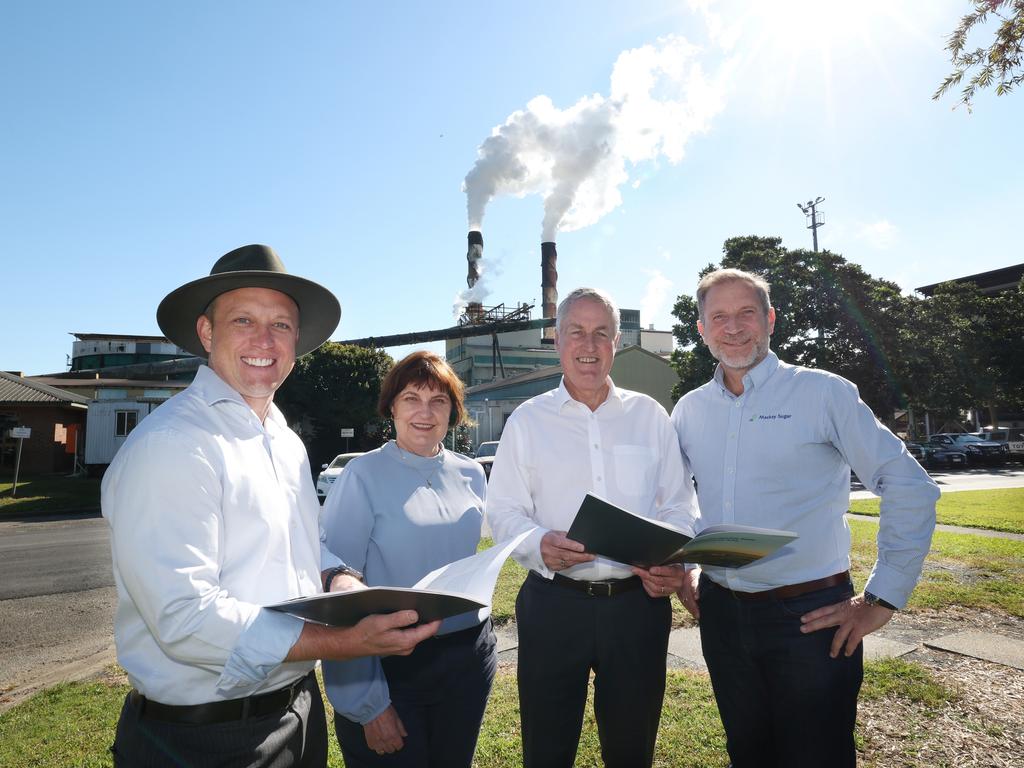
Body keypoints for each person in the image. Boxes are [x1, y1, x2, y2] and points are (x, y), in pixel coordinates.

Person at [102, 244, 438, 768]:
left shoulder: (283, 439)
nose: (264, 341)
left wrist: (337, 578)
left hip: (298, 712)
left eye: (281, 325)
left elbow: (295, 544)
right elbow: (182, 615)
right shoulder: (173, 444)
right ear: (207, 333)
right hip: (205, 741)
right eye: (244, 320)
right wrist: (342, 640)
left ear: (296, 341)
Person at [672, 268, 939, 768]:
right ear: (702, 329)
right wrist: (688, 563)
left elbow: (909, 484)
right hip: (722, 615)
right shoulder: (689, 409)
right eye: (719, 317)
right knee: (748, 751)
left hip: (810, 616)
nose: (733, 328)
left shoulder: (822, 393)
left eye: (746, 313)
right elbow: (676, 497)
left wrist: (883, 597)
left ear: (770, 319)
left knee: (817, 755)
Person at [487, 287, 698, 768]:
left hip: (636, 608)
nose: (589, 344)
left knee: (631, 746)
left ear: (617, 341)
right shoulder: (527, 420)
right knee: (547, 745)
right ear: (557, 340)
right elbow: (502, 511)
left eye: (601, 332)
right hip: (554, 604)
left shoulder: (649, 416)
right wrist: (538, 544)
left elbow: (680, 505)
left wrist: (673, 559)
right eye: (576, 332)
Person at [321, 350, 495, 767]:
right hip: (392, 665)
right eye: (412, 398)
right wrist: (367, 703)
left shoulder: (471, 472)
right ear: (391, 407)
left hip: (467, 658)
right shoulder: (361, 476)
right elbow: (340, 602)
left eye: (438, 401)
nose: (425, 412)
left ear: (453, 412)